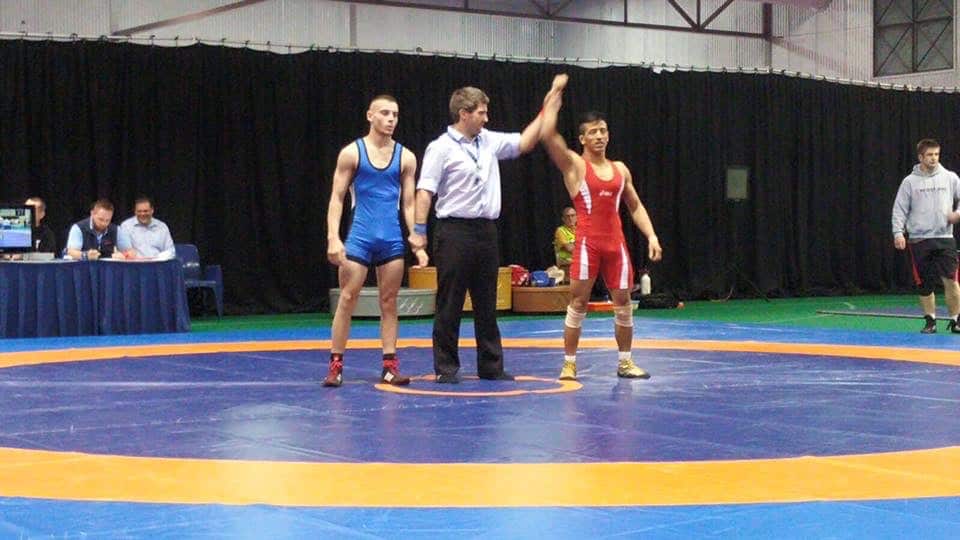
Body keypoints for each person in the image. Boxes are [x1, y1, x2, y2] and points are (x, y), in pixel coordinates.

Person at [409, 82, 560, 384]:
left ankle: (491, 366)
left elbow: (524, 142)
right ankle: (446, 367)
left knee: (487, 302)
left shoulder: (488, 141)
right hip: (454, 231)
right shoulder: (440, 147)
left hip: (486, 231)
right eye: (481, 113)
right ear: (463, 114)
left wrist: (547, 108)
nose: (486, 118)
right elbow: (425, 191)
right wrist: (419, 231)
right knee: (450, 302)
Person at [540, 74, 663, 381]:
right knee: (578, 302)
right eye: (593, 132)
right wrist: (554, 95)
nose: (599, 136)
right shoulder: (575, 165)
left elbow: (635, 206)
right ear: (582, 139)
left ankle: (625, 362)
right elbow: (548, 134)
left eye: (603, 130)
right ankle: (569, 363)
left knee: (623, 304)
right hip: (587, 246)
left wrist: (651, 235)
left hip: (616, 246)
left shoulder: (620, 169)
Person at [324, 94, 427, 387]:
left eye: (395, 114)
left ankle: (390, 366)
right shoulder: (352, 153)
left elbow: (408, 203)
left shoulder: (406, 157)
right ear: (370, 116)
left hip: (391, 239)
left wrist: (416, 240)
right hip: (360, 236)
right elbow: (337, 198)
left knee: (389, 301)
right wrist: (333, 238)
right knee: (347, 298)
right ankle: (335, 365)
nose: (391, 119)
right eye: (384, 113)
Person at [892, 138, 960, 334]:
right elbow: (899, 209)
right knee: (924, 283)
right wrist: (898, 232)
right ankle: (930, 321)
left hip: (945, 238)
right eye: (929, 155)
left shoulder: (950, 178)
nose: (934, 158)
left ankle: (956, 320)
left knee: (951, 280)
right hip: (919, 240)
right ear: (920, 157)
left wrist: (957, 213)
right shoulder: (909, 182)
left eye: (936, 154)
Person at [65, 198, 133, 261]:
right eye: (101, 219)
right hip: (84, 267)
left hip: (108, 268)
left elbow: (131, 253)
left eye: (107, 220)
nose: (104, 223)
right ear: (92, 214)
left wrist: (123, 255)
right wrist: (86, 255)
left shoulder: (116, 230)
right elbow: (71, 252)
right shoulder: (78, 228)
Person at [553, 206, 577, 284]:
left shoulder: (581, 230)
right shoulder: (560, 231)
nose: (570, 218)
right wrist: (581, 244)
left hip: (580, 259)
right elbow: (569, 248)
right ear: (563, 219)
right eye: (567, 216)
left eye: (572, 215)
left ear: (576, 217)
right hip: (566, 260)